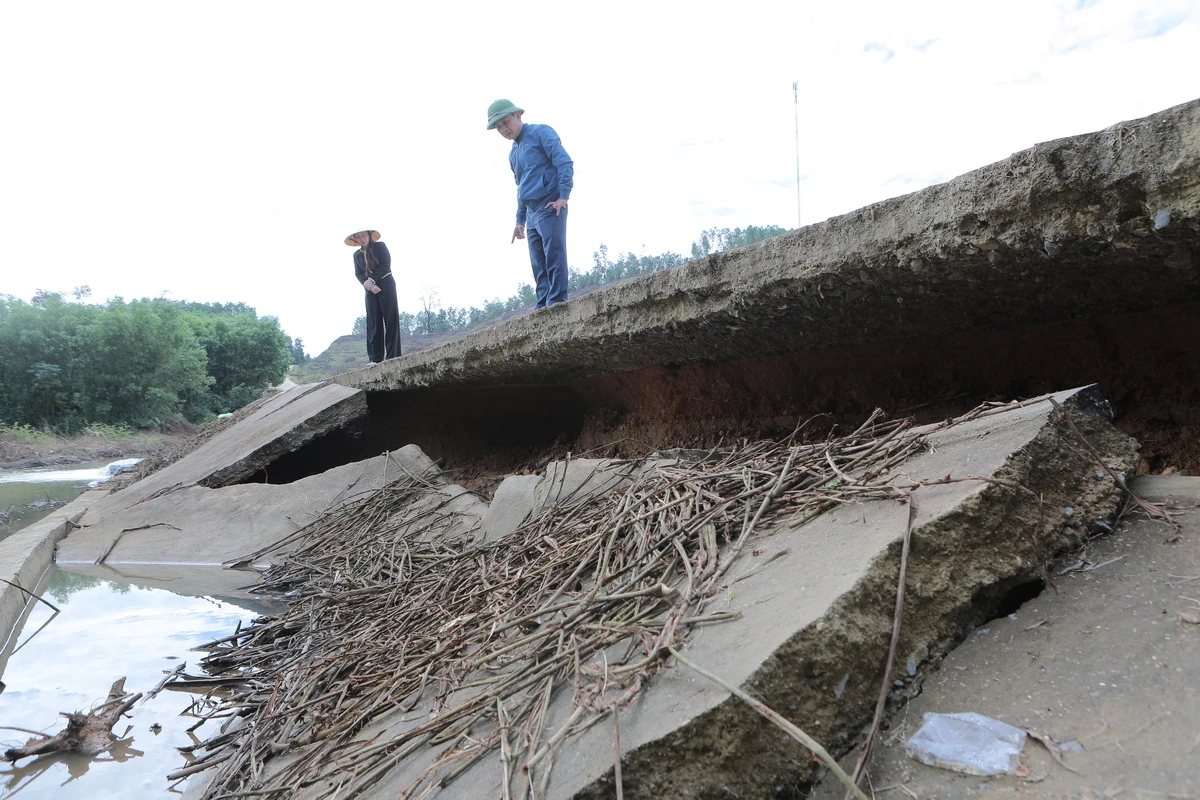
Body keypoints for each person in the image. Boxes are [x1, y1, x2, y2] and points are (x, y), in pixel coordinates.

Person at [487, 99, 574, 309]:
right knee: (538, 263)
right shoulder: (513, 154)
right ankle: (543, 304)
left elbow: (563, 161)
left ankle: (557, 302)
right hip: (532, 212)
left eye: (505, 122)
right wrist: (520, 220)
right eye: (498, 127)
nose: (503, 129)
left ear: (518, 115)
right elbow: (521, 187)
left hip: (550, 204)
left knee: (554, 254)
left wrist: (564, 195)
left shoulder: (541, 133)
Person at [346, 229, 401, 363]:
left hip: (386, 284)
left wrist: (372, 280)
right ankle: (375, 359)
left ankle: (393, 356)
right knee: (373, 322)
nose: (362, 239)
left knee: (390, 319)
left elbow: (386, 266)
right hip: (369, 289)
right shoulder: (356, 255)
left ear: (369, 235)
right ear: (355, 240)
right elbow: (358, 273)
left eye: (364, 235)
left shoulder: (380, 246)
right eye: (358, 237)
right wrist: (369, 285)